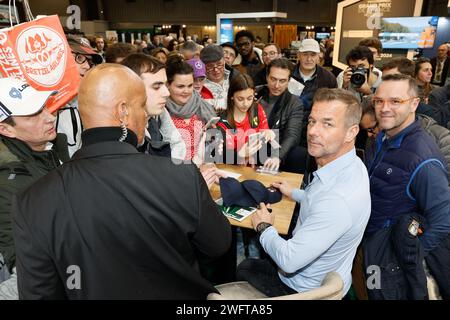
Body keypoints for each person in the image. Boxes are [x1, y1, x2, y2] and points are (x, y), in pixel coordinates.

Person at [12, 64, 232, 299]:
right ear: (123, 112)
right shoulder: (182, 176)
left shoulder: (32, 200)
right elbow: (218, 245)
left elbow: (39, 293)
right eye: (141, 105)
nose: (146, 114)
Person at [236, 88, 370, 296]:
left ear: (352, 132)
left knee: (244, 267)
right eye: (312, 121)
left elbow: (289, 262)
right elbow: (320, 200)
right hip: (324, 272)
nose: (313, 131)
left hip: (300, 288)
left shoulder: (337, 201)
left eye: (327, 124)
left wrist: (264, 226)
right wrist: (294, 193)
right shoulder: (352, 165)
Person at [0, 77, 69, 297]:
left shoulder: (51, 149)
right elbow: (24, 266)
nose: (50, 117)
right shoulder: (7, 183)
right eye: (33, 114)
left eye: (45, 107)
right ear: (6, 130)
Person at [365, 73, 450, 254]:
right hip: (367, 243)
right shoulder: (381, 137)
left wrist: (406, 259)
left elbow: (443, 222)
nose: (384, 108)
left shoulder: (424, 160)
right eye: (379, 101)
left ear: (414, 104)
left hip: (386, 255)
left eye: (395, 101)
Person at [121, 53, 185, 160]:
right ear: (131, 89)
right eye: (156, 87)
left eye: (165, 85)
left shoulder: (160, 113)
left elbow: (176, 143)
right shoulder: (120, 131)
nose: (166, 93)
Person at [56, 34, 103, 157]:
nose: (87, 66)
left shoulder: (89, 97)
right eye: (79, 57)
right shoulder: (38, 102)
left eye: (90, 61)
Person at [256, 58, 305, 173]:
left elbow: (292, 135)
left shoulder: (294, 103)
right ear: (267, 77)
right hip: (252, 143)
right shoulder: (254, 94)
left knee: (299, 153)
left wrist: (278, 156)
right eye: (273, 79)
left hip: (277, 147)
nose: (276, 85)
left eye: (282, 81)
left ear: (289, 81)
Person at [165, 56, 217, 162]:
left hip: (204, 168)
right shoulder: (161, 111)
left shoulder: (202, 106)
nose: (186, 91)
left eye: (190, 85)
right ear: (168, 85)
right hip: (174, 172)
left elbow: (213, 148)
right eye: (180, 86)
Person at [216, 73, 275, 165]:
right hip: (231, 169)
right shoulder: (222, 121)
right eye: (240, 99)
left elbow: (264, 133)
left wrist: (268, 133)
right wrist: (241, 154)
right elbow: (219, 155)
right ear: (231, 96)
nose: (246, 103)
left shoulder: (257, 109)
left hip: (256, 165)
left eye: (249, 98)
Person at [292, 39, 337, 145]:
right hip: (289, 127)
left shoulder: (328, 78)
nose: (309, 59)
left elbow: (333, 107)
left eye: (313, 55)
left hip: (316, 130)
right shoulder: (288, 73)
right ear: (299, 55)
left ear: (319, 57)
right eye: (305, 54)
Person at [200, 44, 240, 112]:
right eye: (210, 66)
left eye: (219, 64)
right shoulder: (199, 84)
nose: (216, 69)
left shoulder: (235, 76)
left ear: (224, 61)